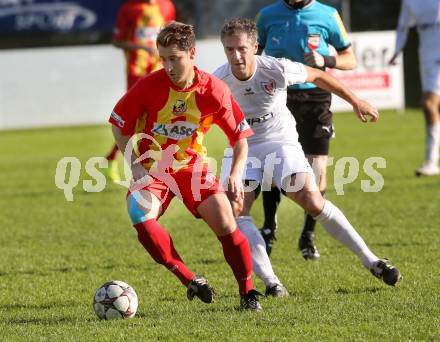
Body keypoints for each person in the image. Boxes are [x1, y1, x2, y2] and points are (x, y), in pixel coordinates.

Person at [214, 18, 401, 288]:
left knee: (312, 200)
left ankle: (372, 261)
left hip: (280, 140)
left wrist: (356, 101)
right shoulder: (218, 80)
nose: (236, 55)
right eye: (230, 49)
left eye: (242, 48)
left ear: (255, 47)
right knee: (234, 209)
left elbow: (318, 75)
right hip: (243, 146)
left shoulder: (276, 68)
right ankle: (272, 283)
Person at [109, 22, 264, 311]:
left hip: (193, 168)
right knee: (139, 212)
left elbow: (240, 138)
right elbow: (118, 125)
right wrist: (135, 165)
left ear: (192, 53)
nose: (168, 66)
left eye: (174, 58)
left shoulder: (213, 90)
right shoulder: (147, 87)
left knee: (226, 221)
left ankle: (248, 292)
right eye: (163, 58)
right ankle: (190, 279)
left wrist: (235, 175)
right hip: (154, 170)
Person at [255, 0, 357, 259]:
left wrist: (327, 58)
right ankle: (268, 227)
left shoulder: (328, 15)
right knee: (274, 163)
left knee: (317, 169)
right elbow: (253, 56)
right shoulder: (267, 16)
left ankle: (308, 234)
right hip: (278, 96)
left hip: (316, 99)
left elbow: (350, 58)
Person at [105, 0, 176, 183]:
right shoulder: (129, 8)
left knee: (159, 117)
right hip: (137, 70)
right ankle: (113, 159)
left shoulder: (166, 5)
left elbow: (171, 36)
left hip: (160, 69)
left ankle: (160, 162)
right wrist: (142, 47)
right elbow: (117, 41)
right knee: (135, 121)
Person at [389, 0, 440, 176]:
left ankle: (431, 161)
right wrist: (397, 50)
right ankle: (431, 162)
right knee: (430, 105)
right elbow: (403, 26)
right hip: (426, 49)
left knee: (429, 103)